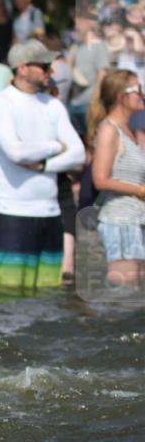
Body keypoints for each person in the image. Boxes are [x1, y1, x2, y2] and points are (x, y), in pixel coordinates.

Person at [0, 40, 86, 294]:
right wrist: (54, 146)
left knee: (49, 298)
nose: (50, 71)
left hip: (51, 214)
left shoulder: (53, 105)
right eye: (43, 66)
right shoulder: (0, 104)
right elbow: (15, 152)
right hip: (12, 214)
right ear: (21, 68)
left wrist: (43, 166)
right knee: (9, 298)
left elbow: (79, 154)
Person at [87, 69, 145, 288]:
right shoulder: (110, 130)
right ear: (121, 96)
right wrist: (140, 190)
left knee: (135, 295)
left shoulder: (129, 131)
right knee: (122, 296)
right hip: (119, 221)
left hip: (136, 220)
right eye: (137, 89)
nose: (142, 94)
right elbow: (100, 180)